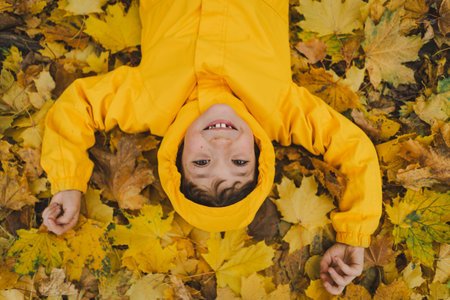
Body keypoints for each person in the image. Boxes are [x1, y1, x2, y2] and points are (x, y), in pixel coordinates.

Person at [41, 0, 382, 295]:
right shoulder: (281, 110)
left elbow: (78, 106)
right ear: (259, 155)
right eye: (238, 161)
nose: (221, 145)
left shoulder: (149, 102)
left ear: (177, 156)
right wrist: (354, 232)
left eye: (202, 161)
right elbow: (351, 148)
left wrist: (68, 181)